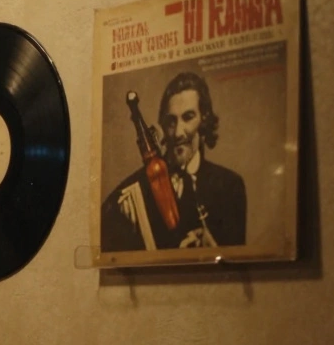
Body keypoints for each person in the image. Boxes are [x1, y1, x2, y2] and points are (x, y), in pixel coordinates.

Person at [101, 71, 247, 251]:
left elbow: (236, 268)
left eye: (188, 117)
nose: (178, 132)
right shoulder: (130, 198)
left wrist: (214, 250)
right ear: (162, 125)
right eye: (171, 121)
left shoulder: (230, 187)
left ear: (204, 119)